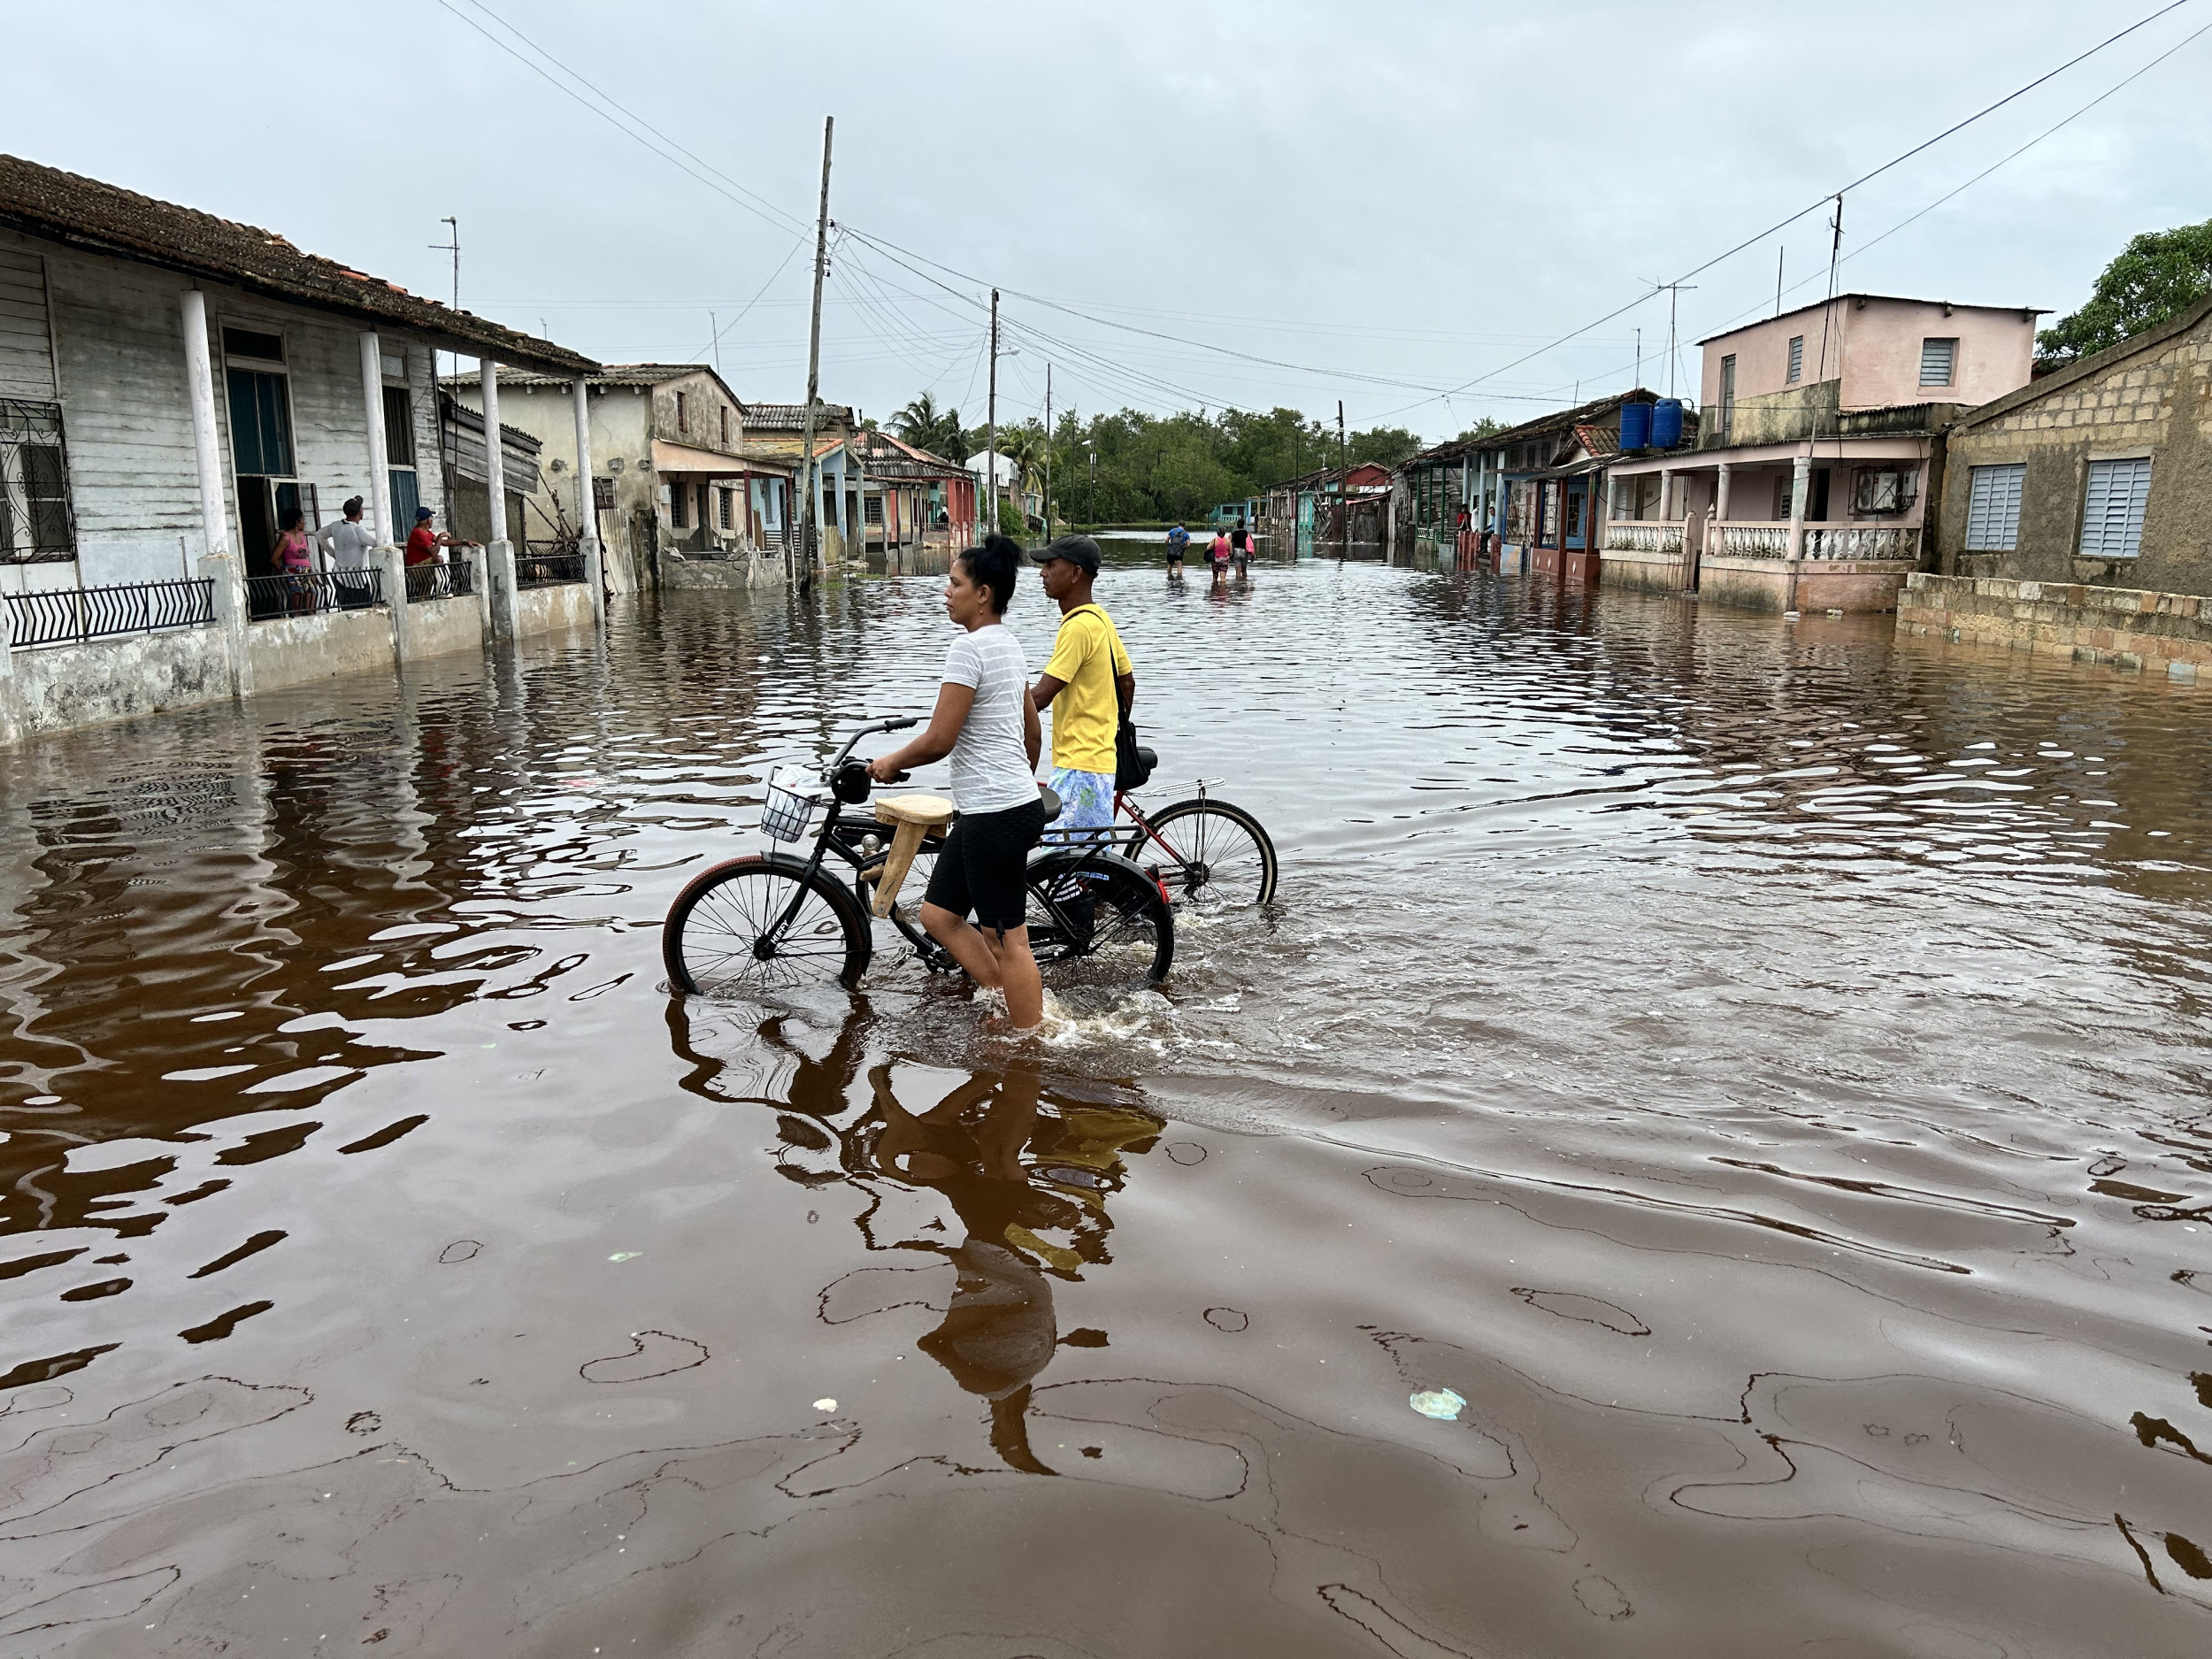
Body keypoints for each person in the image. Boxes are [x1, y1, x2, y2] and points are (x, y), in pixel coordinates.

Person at [869, 534, 1048, 1031]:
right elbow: (1032, 728)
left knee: (1007, 938)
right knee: (938, 916)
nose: (946, 592)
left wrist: (888, 763)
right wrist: (1020, 781)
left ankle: (1029, 1041)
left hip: (997, 811)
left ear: (984, 593)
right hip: (995, 806)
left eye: (955, 583)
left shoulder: (968, 649)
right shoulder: (1008, 645)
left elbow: (940, 739)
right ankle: (1001, 1000)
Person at [1027, 534, 1133, 859]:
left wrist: (992, 714)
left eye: (1050, 565)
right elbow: (1127, 682)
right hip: (1097, 758)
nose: (1043, 573)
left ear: (1075, 573)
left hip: (1079, 767)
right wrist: (1108, 727)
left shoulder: (1077, 629)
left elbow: (1042, 696)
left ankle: (1133, 905)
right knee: (1086, 871)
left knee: (1063, 872)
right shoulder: (1099, 618)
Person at [316, 495, 378, 607]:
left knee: (347, 611)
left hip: (340, 577)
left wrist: (332, 553)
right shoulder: (357, 530)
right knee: (364, 611)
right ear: (360, 512)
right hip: (357, 581)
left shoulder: (335, 526)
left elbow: (319, 534)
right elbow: (375, 543)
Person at [405, 505, 477, 596]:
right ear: (429, 520)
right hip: (416, 568)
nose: (432, 521)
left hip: (423, 567)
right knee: (438, 559)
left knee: (424, 596)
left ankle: (437, 593)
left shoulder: (426, 533)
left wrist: (464, 542)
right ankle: (443, 589)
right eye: (431, 518)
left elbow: (445, 542)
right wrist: (440, 536)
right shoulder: (418, 533)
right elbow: (434, 552)